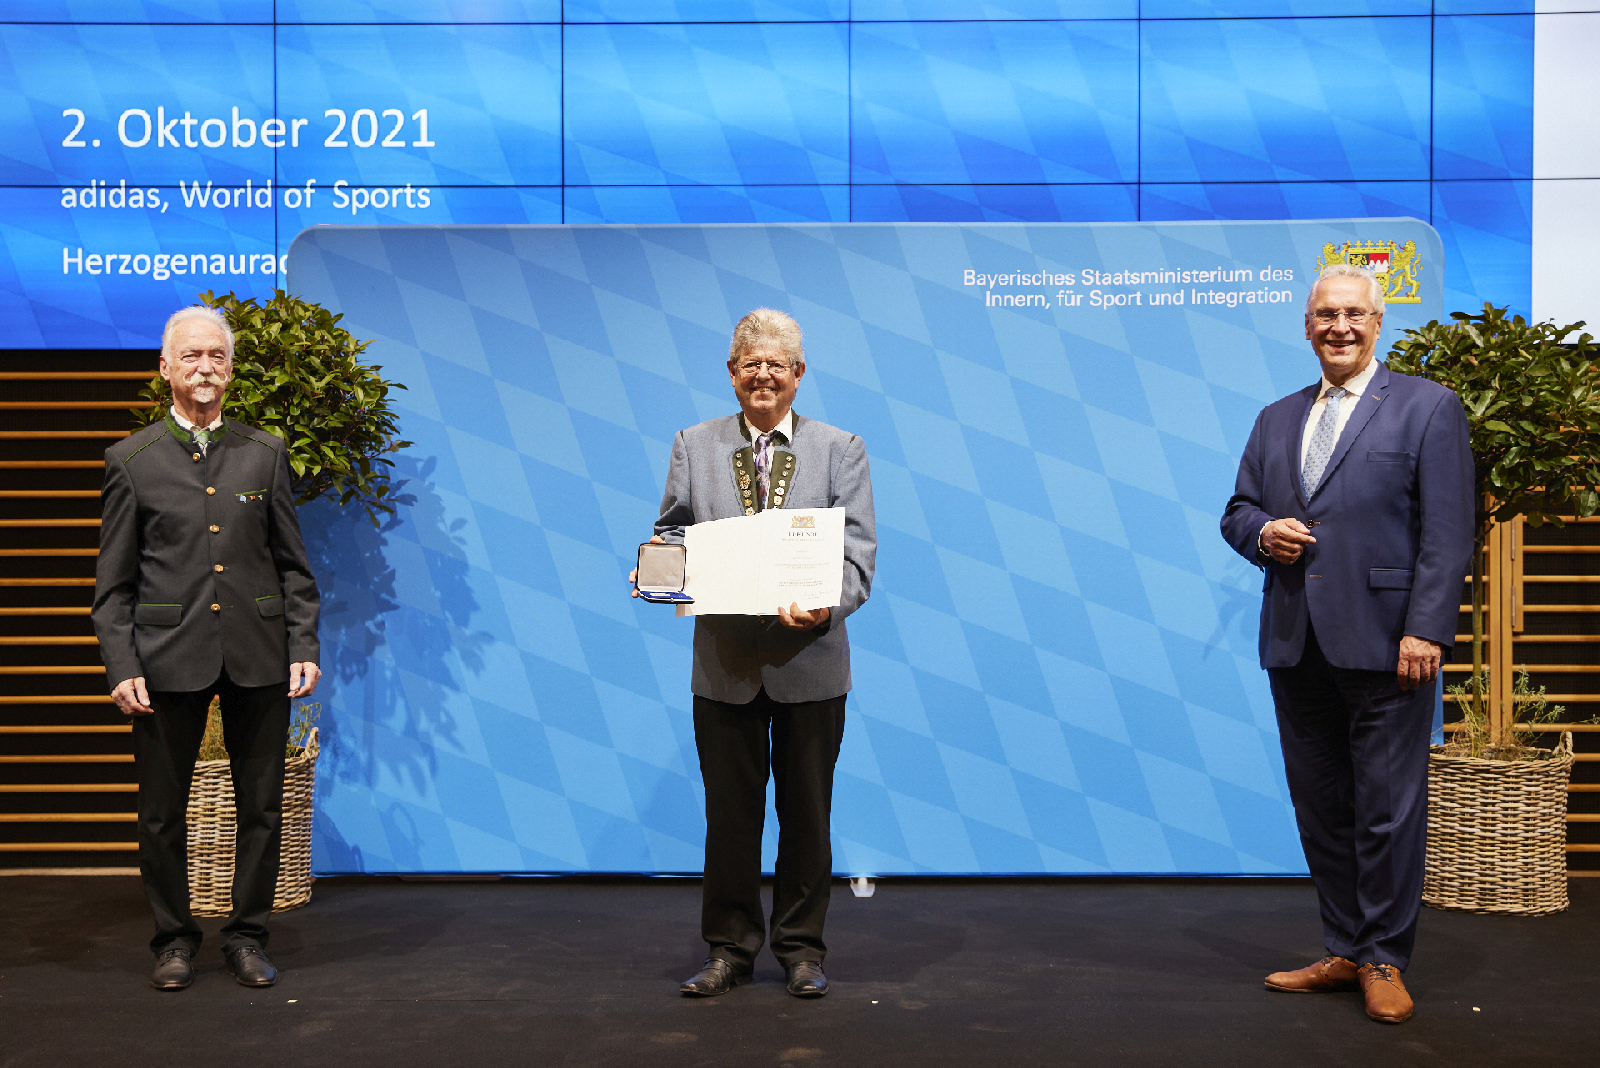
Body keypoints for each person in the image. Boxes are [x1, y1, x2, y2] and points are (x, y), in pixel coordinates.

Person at [1220, 264, 1473, 1024]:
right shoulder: (1275, 418)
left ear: (1377, 322)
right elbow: (1237, 511)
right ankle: (1345, 946)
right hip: (1297, 643)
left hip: (1392, 644)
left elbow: (1448, 530)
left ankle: (1387, 958)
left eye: (1354, 314)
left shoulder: (1430, 409)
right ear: (1306, 325)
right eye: (1326, 313)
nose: (1339, 326)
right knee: (1322, 806)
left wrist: (1426, 625)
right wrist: (1263, 533)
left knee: (1389, 809)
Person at [635, 308, 875, 998]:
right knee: (729, 818)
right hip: (725, 665)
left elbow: (858, 552)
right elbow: (673, 533)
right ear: (732, 373)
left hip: (812, 662)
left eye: (778, 363)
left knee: (808, 814)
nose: (763, 373)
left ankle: (801, 949)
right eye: (750, 362)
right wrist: (655, 570)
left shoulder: (840, 449)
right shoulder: (694, 443)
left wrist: (827, 606)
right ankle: (728, 951)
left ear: (799, 375)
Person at [92, 306, 322, 991]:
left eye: (215, 357)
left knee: (261, 807)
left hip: (258, 653)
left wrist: (302, 641)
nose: (204, 367)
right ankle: (173, 940)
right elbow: (114, 585)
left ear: (230, 370)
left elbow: (293, 566)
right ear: (165, 368)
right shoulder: (130, 461)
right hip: (167, 658)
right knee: (162, 814)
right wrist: (122, 663)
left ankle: (247, 937)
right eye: (190, 356)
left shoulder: (265, 452)